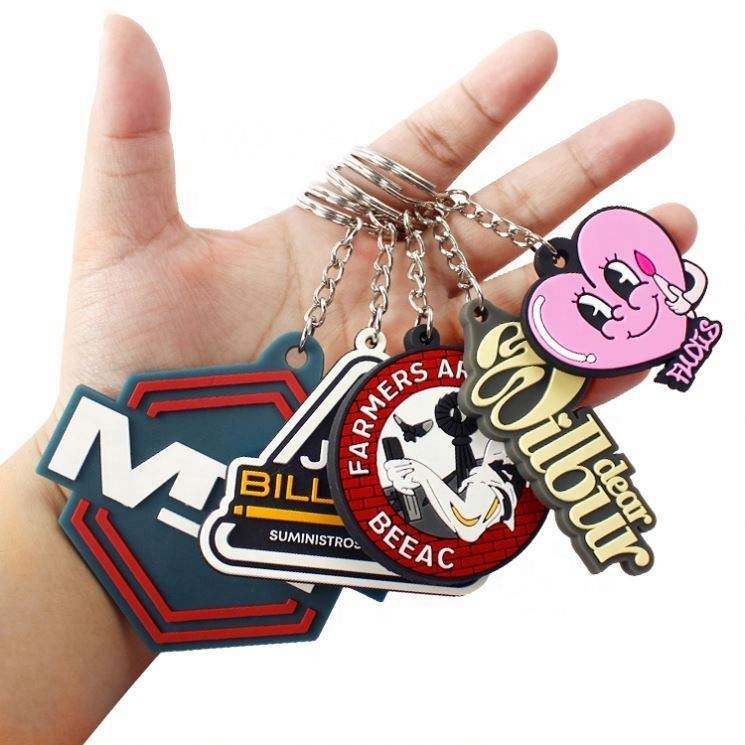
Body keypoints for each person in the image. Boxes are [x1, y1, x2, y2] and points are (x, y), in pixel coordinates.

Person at [0, 14, 697, 743]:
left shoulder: (469, 483)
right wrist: (65, 519)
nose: (423, 439)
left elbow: (462, 517)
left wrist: (63, 530)